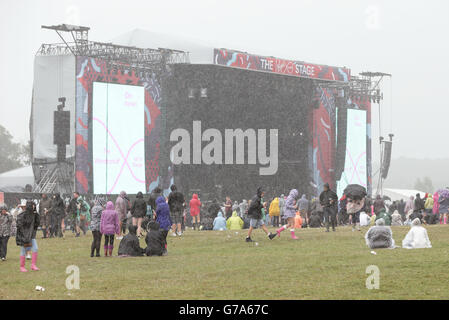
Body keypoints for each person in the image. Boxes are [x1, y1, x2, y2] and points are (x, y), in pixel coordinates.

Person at [16, 200, 40, 272]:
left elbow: (37, 224)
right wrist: (24, 234)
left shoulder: (34, 214)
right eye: (32, 205)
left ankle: (33, 265)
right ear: (29, 206)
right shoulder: (22, 215)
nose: (34, 206)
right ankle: (22, 267)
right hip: (24, 236)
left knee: (35, 248)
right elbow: (19, 225)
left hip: (31, 235)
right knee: (24, 250)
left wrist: (36, 214)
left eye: (34, 205)